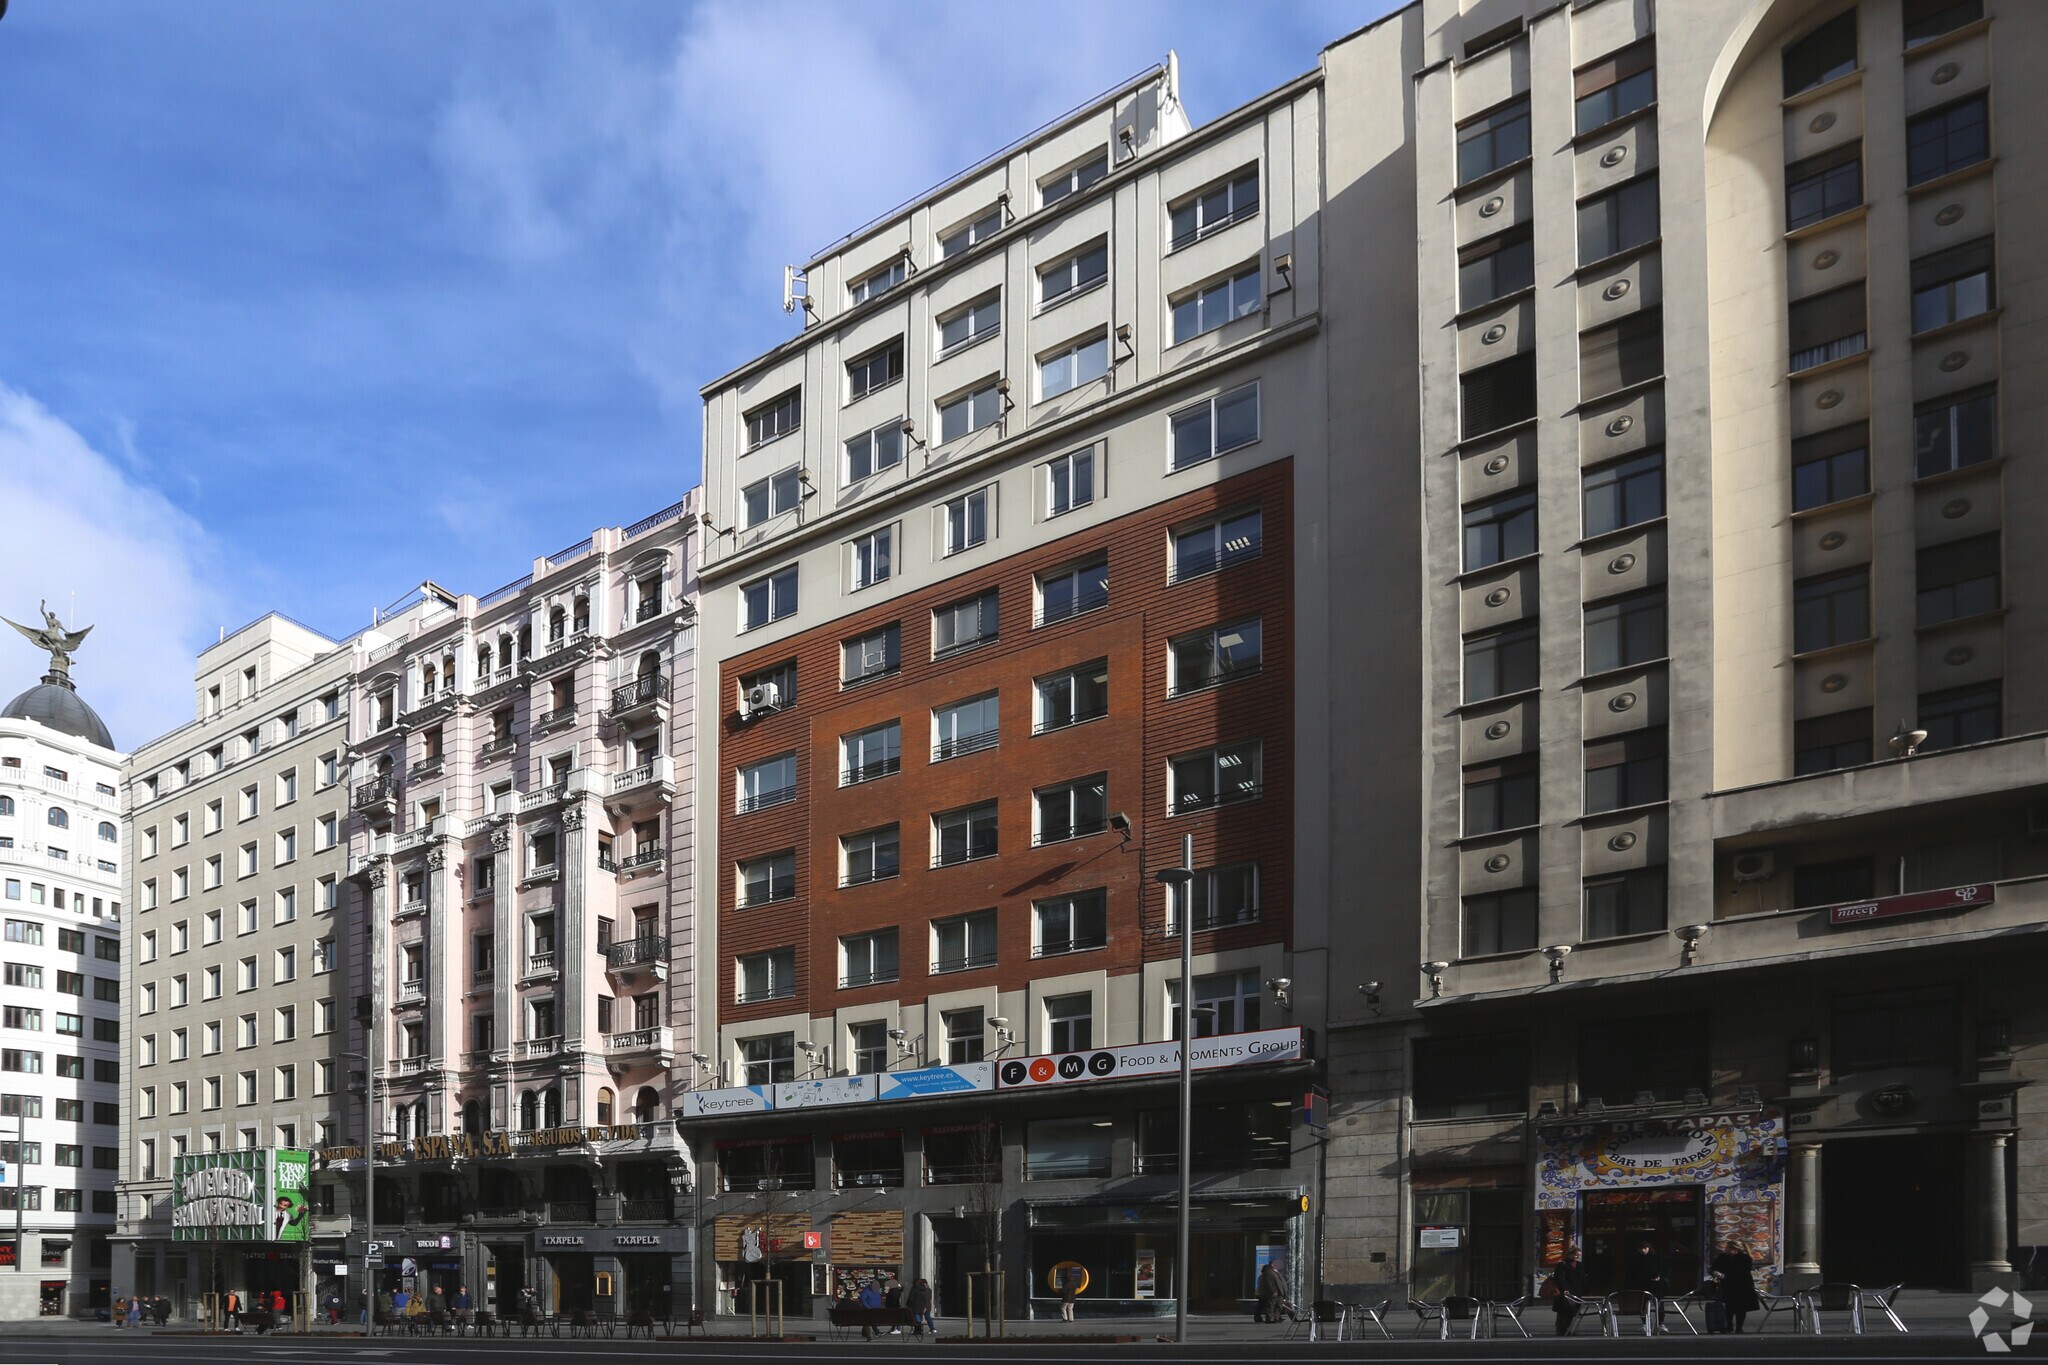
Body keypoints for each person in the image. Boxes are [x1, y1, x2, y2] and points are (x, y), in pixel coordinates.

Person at [1711, 1239, 1761, 1334]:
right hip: (1727, 1286)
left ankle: (1739, 1328)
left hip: (1743, 1286)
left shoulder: (1745, 1258)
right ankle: (1729, 1325)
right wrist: (1715, 1272)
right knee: (1728, 1307)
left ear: (1737, 1249)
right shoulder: (1722, 1257)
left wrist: (1724, 1276)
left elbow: (1742, 1273)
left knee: (1741, 1308)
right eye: (1727, 1248)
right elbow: (1714, 1267)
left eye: (1730, 1248)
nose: (1728, 1250)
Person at [1547, 1246, 1588, 1336]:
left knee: (1573, 1311)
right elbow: (1559, 1278)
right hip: (1565, 1291)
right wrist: (1564, 1289)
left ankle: (1568, 1329)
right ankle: (1562, 1329)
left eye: (1578, 1256)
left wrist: (1584, 1288)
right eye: (1575, 1255)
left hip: (1576, 1291)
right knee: (1564, 1311)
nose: (1576, 1257)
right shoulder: (1562, 1264)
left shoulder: (1579, 1265)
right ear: (1570, 1254)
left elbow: (1582, 1278)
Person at [1256, 1260, 1287, 1325]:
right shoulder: (1268, 1272)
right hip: (1274, 1292)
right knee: (1270, 1306)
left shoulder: (1276, 1272)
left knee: (1279, 1306)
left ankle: (1277, 1317)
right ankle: (1269, 1319)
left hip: (1280, 1292)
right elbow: (1269, 1283)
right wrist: (1273, 1291)